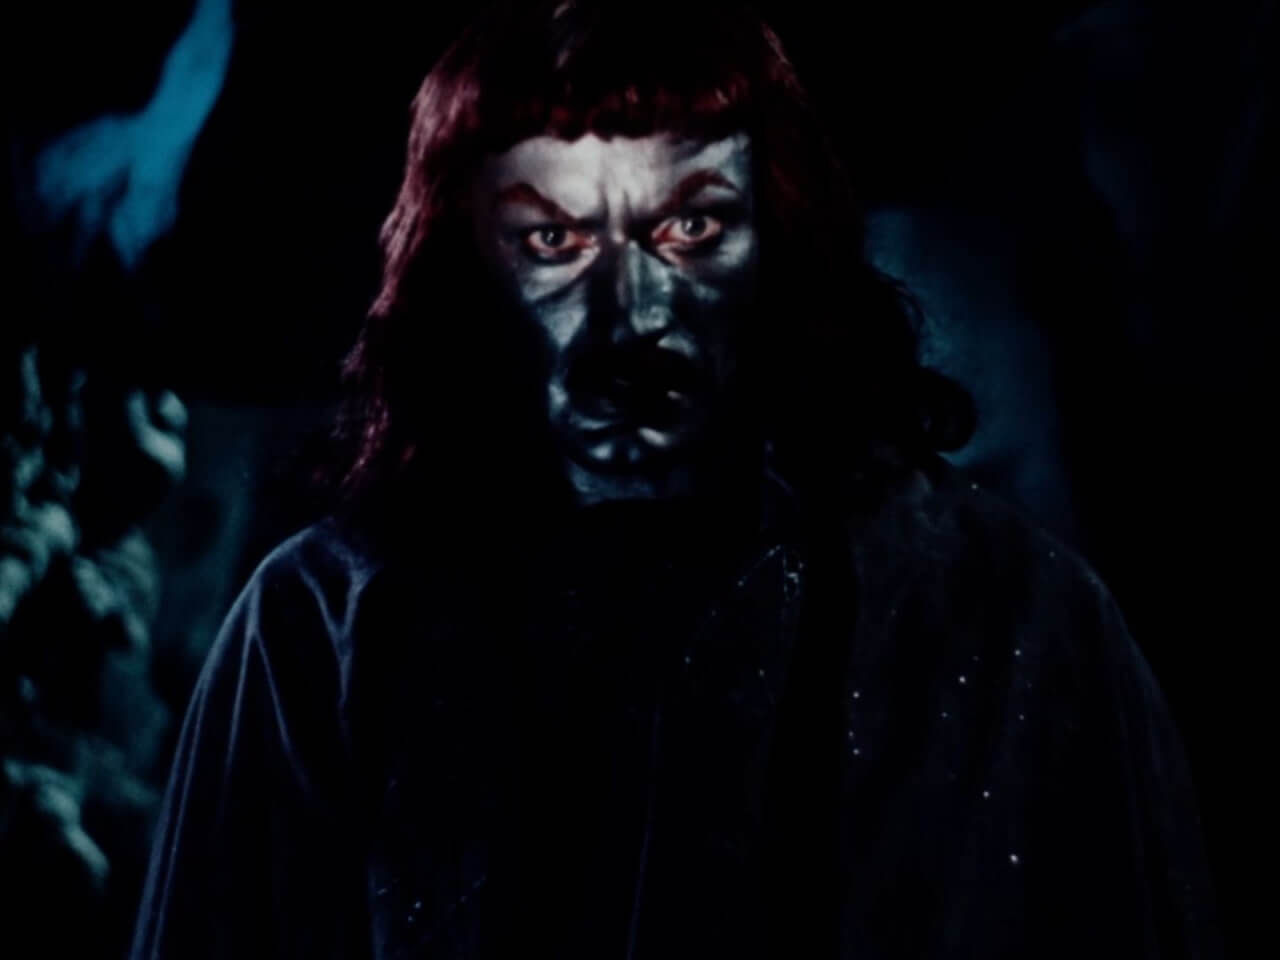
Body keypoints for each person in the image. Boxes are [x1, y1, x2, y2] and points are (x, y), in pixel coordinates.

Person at [130, 2, 1222, 957]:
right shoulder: (318, 630)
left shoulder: (1013, 615)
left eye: (691, 227)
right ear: (465, 267)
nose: (632, 314)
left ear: (777, 239)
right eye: (553, 239)